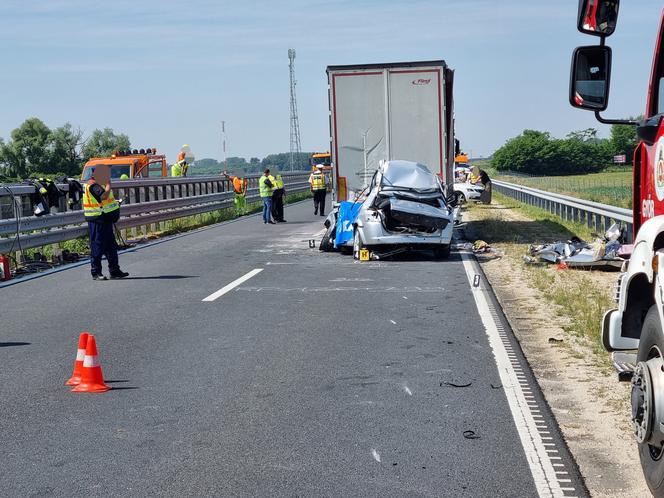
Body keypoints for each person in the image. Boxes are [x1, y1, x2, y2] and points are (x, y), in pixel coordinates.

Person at [83, 169, 129, 281]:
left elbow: (106, 201)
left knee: (111, 246)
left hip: (105, 218)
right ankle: (96, 272)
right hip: (97, 219)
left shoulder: (98, 183)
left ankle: (114, 271)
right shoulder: (92, 185)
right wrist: (108, 184)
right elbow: (103, 196)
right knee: (97, 246)